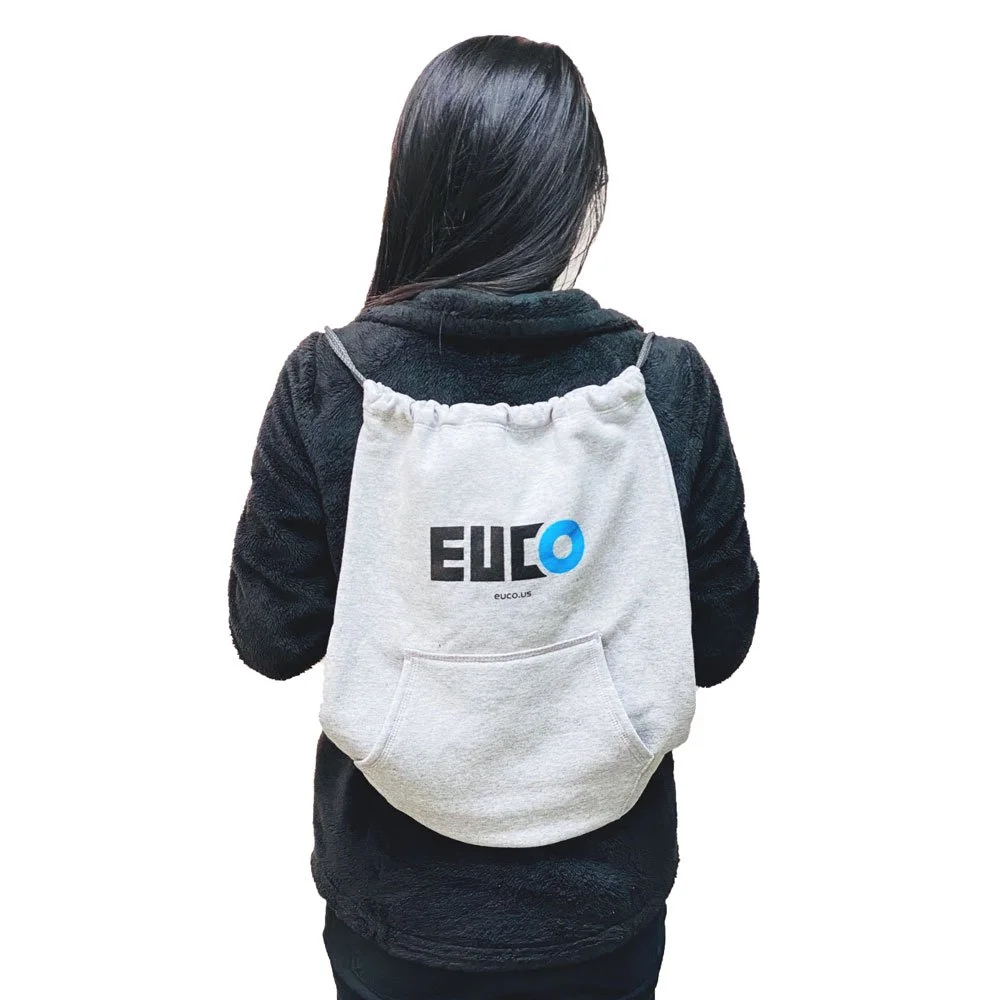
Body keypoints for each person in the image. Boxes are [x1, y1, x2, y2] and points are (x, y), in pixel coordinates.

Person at [228, 33, 759, 1000]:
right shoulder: (664, 385)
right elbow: (719, 645)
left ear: (414, 182)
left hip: (395, 908)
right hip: (601, 909)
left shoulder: (329, 382)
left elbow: (270, 639)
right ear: (581, 191)